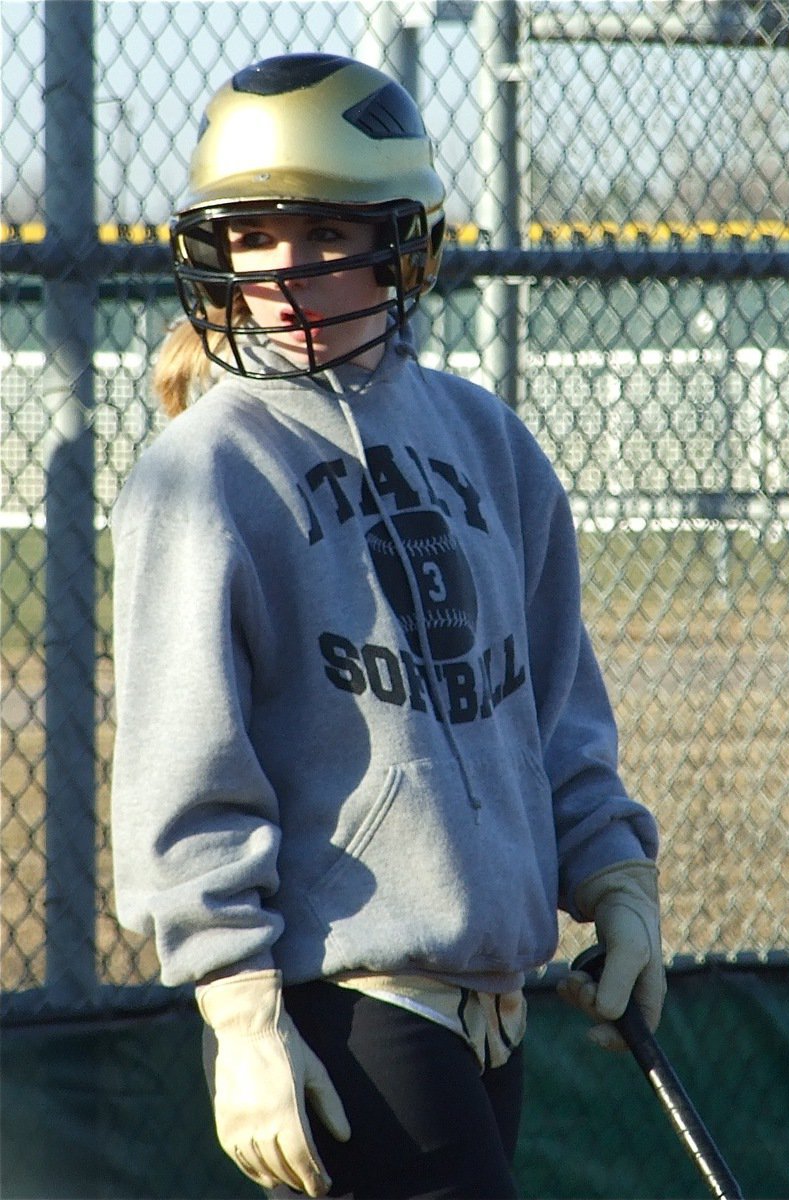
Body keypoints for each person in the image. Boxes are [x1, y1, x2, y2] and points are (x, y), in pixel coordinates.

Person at [111, 51, 666, 1200]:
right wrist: (240, 1011)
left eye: (323, 233)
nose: (282, 271)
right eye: (252, 234)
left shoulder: (484, 436)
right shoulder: (207, 466)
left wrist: (614, 876)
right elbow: (183, 766)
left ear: (404, 241)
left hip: (493, 1006)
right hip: (346, 1008)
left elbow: (545, 700)